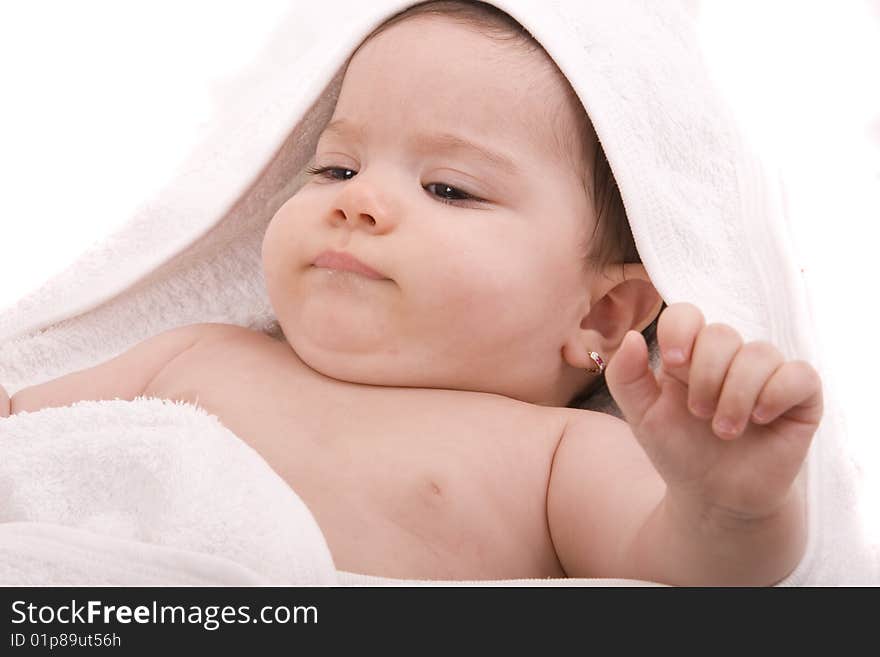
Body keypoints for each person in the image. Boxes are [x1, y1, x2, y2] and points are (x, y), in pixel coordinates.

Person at [0, 1, 822, 586]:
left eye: (450, 188)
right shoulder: (192, 354)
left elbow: (696, 570)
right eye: (337, 166)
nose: (356, 201)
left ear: (600, 313)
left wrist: (731, 505)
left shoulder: (555, 457)